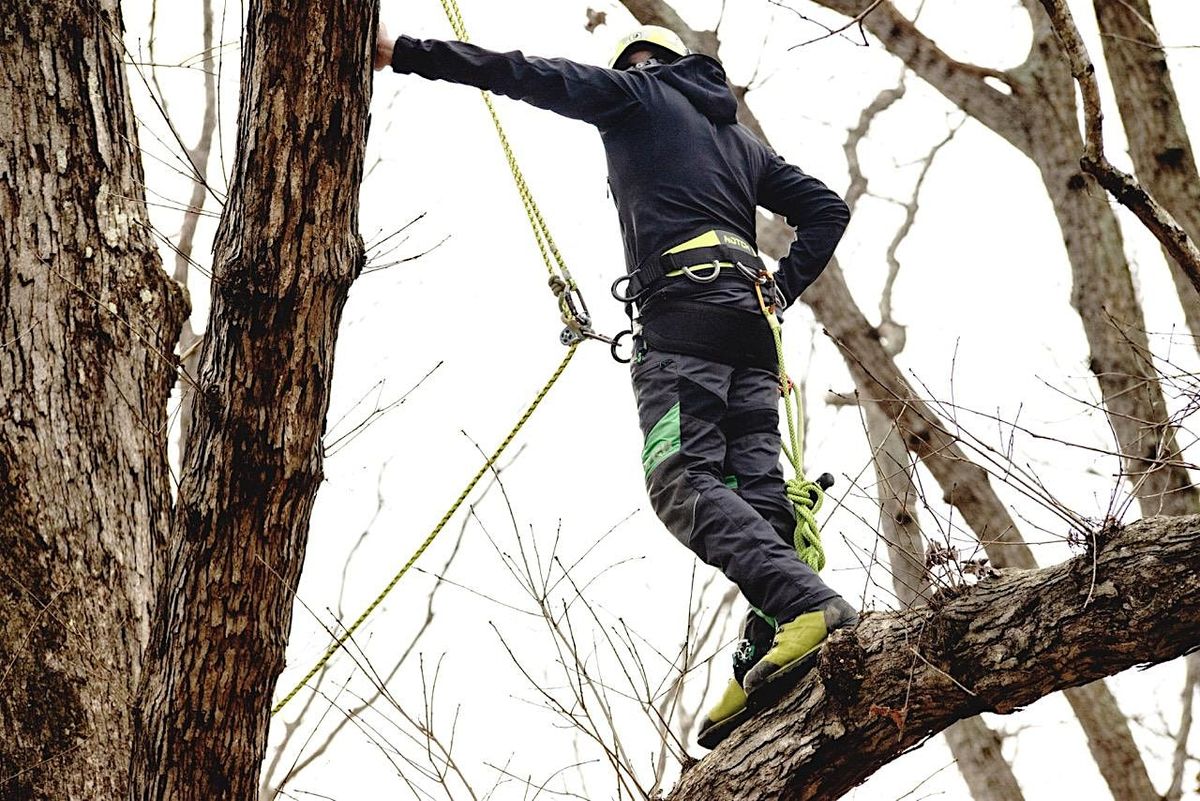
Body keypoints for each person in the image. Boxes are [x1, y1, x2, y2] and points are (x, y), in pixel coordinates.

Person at [375, 22, 856, 748]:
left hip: (685, 319)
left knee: (681, 479)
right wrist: (780, 289)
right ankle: (768, 650)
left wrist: (403, 53)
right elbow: (827, 207)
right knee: (754, 492)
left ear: (640, 64)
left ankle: (806, 605)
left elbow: (528, 72)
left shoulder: (638, 96)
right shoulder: (740, 140)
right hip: (752, 331)